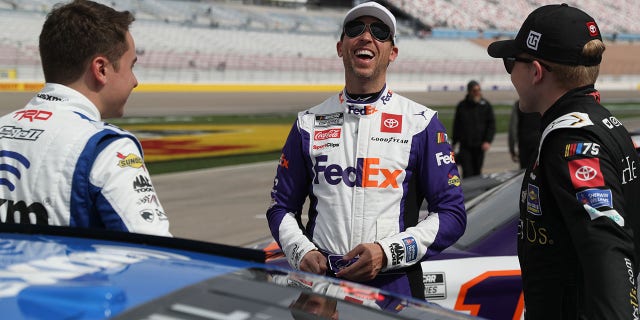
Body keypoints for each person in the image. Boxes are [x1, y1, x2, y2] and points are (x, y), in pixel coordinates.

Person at [266, 2, 466, 300]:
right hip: (321, 287)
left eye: (380, 31)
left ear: (392, 52)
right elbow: (281, 207)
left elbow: (452, 214)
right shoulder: (308, 123)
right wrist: (301, 249)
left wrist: (386, 253)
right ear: (340, 47)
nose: (366, 36)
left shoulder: (421, 123)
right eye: (355, 29)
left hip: (394, 284)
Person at [488, 4, 639, 319]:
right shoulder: (601, 121)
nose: (510, 72)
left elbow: (606, 248)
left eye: (511, 62)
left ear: (536, 72)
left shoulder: (571, 142)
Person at [0, 0, 171, 236]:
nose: (135, 81)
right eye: (131, 67)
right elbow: (151, 251)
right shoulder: (108, 148)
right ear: (101, 69)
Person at [451, 80, 496, 178]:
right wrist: (454, 144)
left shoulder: (485, 105)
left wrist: (487, 141)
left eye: (479, 90)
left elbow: (491, 125)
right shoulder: (462, 106)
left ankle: (478, 193)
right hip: (465, 146)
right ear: (469, 91)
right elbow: (457, 126)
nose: (477, 93)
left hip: (479, 146)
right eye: (474, 91)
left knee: (477, 171)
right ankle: (468, 193)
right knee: (467, 172)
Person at [507, 100, 541, 169]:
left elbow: (513, 128)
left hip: (525, 145)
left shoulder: (519, 104)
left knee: (524, 172)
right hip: (540, 143)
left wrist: (512, 149)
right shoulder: (542, 102)